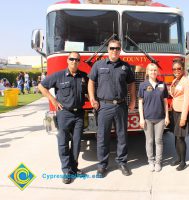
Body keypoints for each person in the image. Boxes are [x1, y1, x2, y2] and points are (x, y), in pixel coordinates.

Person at [88, 39, 136, 177]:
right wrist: (92, 98)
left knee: (122, 136)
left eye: (117, 48)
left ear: (120, 50)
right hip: (104, 106)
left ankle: (122, 162)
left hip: (121, 106)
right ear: (107, 49)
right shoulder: (98, 65)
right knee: (103, 137)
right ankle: (102, 165)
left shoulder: (125, 66)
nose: (114, 50)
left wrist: (132, 100)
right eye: (112, 48)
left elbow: (132, 83)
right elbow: (91, 81)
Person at [38, 52, 88, 184]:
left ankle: (74, 168)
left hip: (79, 114)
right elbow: (41, 86)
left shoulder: (83, 76)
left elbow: (90, 90)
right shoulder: (59, 75)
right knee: (63, 143)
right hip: (64, 114)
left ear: (79, 62)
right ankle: (66, 171)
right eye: (72, 59)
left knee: (77, 143)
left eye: (77, 60)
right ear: (67, 60)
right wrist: (53, 100)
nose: (74, 61)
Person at [138, 63, 170, 172]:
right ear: (147, 72)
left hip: (160, 118)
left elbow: (165, 102)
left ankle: (158, 162)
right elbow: (140, 103)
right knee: (149, 141)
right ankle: (150, 161)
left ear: (157, 72)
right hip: (147, 118)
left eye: (155, 70)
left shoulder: (162, 85)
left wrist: (167, 116)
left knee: (159, 140)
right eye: (151, 70)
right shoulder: (143, 85)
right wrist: (141, 118)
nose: (153, 72)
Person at [169, 59, 189, 171]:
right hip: (174, 111)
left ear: (183, 69)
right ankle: (178, 158)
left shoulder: (186, 81)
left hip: (182, 112)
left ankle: (183, 162)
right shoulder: (175, 81)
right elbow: (174, 95)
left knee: (180, 138)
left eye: (179, 68)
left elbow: (187, 100)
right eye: (174, 69)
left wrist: (184, 117)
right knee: (175, 136)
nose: (176, 71)